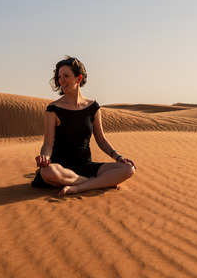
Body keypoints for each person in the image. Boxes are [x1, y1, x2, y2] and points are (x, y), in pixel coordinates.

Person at [33, 56, 136, 196]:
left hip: (86, 165)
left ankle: (78, 187)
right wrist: (44, 157)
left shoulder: (93, 107)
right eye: (59, 76)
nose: (61, 80)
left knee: (128, 169)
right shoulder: (53, 109)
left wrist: (118, 157)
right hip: (60, 168)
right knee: (48, 172)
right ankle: (96, 183)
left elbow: (101, 140)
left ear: (78, 78)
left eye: (66, 76)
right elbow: (48, 143)